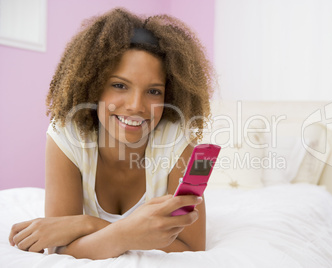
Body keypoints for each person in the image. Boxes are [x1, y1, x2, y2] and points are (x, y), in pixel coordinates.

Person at [8, 8, 215, 259]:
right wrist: (129, 232)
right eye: (119, 85)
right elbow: (59, 248)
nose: (136, 105)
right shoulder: (66, 135)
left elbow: (192, 249)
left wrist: (90, 225)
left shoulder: (179, 142)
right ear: (93, 86)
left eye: (154, 91)